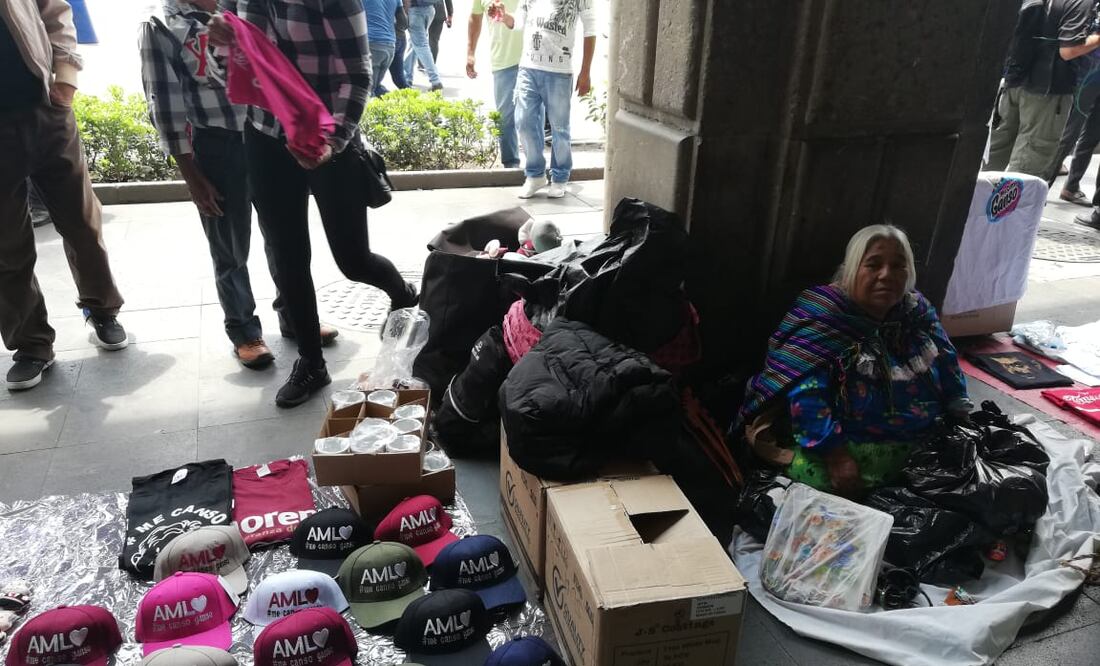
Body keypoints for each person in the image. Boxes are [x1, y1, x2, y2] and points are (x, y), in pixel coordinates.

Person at [210, 0, 418, 407]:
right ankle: (311, 362)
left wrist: (333, 141)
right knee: (287, 255)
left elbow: (358, 75)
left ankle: (404, 294)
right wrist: (224, 47)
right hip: (266, 137)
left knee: (352, 259)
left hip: (326, 135)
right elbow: (235, 74)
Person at [139, 0, 336, 370]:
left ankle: (295, 317)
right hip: (216, 145)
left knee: (283, 236)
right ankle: (244, 330)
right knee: (230, 246)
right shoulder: (161, 25)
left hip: (266, 136)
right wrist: (192, 175)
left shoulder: (244, 7)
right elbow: (164, 102)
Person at [740, 225, 972, 498]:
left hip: (924, 444)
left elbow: (947, 361)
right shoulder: (825, 317)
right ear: (852, 269)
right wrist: (837, 457)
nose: (886, 275)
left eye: (898, 266)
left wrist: (960, 416)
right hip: (847, 452)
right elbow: (806, 394)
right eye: (873, 264)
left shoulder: (916, 313)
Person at [0, 0, 129, 391]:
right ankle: (32, 345)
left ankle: (102, 310)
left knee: (81, 222)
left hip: (46, 108)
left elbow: (55, 10)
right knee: (6, 243)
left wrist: (66, 78)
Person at [489, 0, 596, 199]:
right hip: (528, 68)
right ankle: (535, 174)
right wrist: (504, 18)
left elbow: (590, 29)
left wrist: (585, 72)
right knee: (523, 121)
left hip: (559, 72)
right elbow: (519, 22)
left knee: (560, 128)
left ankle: (560, 176)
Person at [986, 0, 1100, 179]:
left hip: (1015, 79)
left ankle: (974, 204)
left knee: (995, 154)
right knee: (1029, 164)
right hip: (1047, 91)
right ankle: (1013, 205)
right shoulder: (1080, 2)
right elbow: (1068, 50)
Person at [467, 0, 524, 168]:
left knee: (533, 117)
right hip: (502, 61)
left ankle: (537, 166)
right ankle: (511, 165)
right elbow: (475, 18)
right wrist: (470, 53)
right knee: (505, 118)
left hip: (534, 60)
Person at [365, 0, 404, 97]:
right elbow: (404, 22)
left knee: (368, 91)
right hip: (390, 46)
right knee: (375, 87)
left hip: (371, 44)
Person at [403, 0, 444, 91]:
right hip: (430, 9)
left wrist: (405, 12)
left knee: (421, 45)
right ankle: (407, 78)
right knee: (414, 43)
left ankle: (435, 81)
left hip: (415, 10)